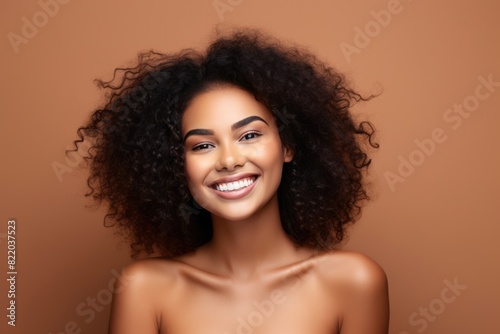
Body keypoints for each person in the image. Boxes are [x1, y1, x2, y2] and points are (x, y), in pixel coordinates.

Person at [69, 28, 389, 334]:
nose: (228, 161)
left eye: (249, 135)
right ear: (175, 164)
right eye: (203, 145)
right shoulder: (144, 288)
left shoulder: (353, 282)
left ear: (287, 145)